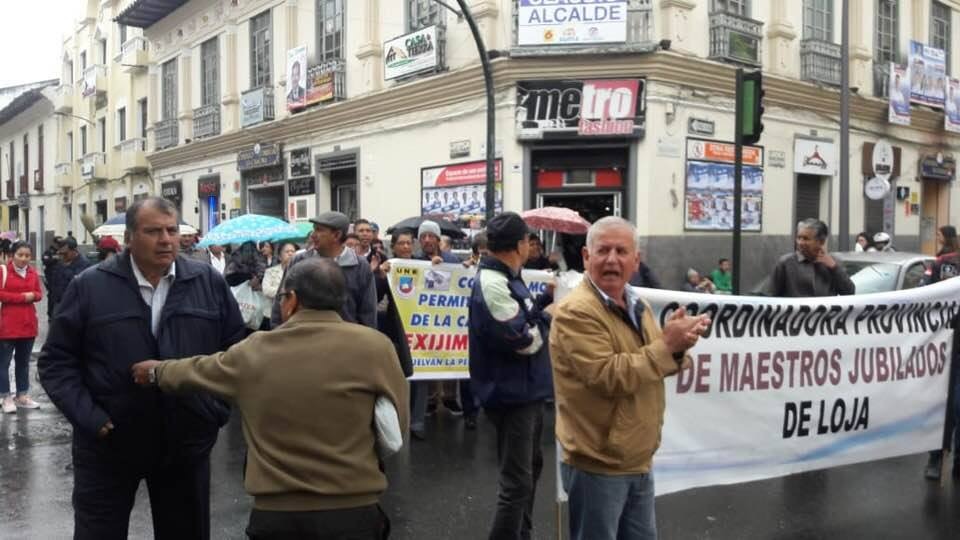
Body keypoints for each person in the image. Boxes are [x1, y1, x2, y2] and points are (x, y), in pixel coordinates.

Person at [130, 258, 408, 540]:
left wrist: (156, 372)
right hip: (354, 510)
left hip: (278, 514)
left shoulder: (257, 350)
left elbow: (199, 370)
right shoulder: (376, 346)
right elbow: (397, 425)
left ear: (291, 300)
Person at [38, 197, 246, 539]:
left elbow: (235, 354)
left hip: (186, 441)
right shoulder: (90, 286)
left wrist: (213, 410)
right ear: (129, 239)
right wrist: (94, 420)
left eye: (172, 230)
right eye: (153, 231)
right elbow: (56, 363)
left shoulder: (207, 282)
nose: (166, 239)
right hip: (109, 445)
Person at [549, 216, 711, 540]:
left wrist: (678, 349)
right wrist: (668, 345)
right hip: (598, 463)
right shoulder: (575, 311)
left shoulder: (637, 303)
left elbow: (652, 361)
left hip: (637, 457)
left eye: (621, 251)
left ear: (636, 260)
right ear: (586, 257)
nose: (612, 259)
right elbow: (609, 375)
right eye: (603, 250)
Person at [468, 212, 554, 540]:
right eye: (528, 240)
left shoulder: (508, 276)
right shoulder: (492, 282)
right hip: (511, 394)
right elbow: (522, 340)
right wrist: (548, 316)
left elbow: (522, 317)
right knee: (517, 483)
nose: (531, 246)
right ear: (520, 244)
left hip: (526, 391)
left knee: (530, 473)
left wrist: (544, 300)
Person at [413, 221, 476, 425]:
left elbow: (461, 283)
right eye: (423, 237)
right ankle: (431, 400)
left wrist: (464, 268)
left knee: (451, 355)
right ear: (419, 240)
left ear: (438, 239)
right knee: (427, 356)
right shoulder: (414, 260)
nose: (427, 240)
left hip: (448, 318)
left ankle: (449, 398)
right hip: (425, 317)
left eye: (431, 236)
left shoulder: (451, 259)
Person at [271, 211, 377, 329]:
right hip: (302, 337)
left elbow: (368, 311)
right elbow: (281, 300)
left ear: (336, 235)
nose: (313, 235)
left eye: (319, 230)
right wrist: (278, 332)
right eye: (314, 229)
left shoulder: (360, 266)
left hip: (345, 341)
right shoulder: (299, 260)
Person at [923, 225, 960, 480]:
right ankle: (936, 456)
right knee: (943, 404)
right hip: (945, 343)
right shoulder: (944, 264)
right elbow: (923, 295)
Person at [0, 242, 44, 413]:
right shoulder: (3, 272)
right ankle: (6, 397)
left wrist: (33, 295)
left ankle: (22, 396)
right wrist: (23, 297)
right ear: (12, 255)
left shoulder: (32, 273)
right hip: (7, 326)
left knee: (23, 363)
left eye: (27, 256)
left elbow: (39, 294)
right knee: (3, 363)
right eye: (20, 255)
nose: (24, 259)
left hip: (28, 325)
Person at [769, 219, 855, 298]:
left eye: (806, 239)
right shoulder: (786, 263)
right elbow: (772, 297)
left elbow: (849, 292)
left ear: (821, 241)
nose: (800, 243)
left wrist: (834, 268)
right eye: (799, 238)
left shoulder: (833, 262)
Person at [47, 236, 91, 320]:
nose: (62, 256)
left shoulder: (84, 264)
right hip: (59, 304)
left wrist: (66, 267)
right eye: (60, 253)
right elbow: (54, 282)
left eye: (65, 253)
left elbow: (80, 285)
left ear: (74, 251)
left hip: (75, 306)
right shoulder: (60, 263)